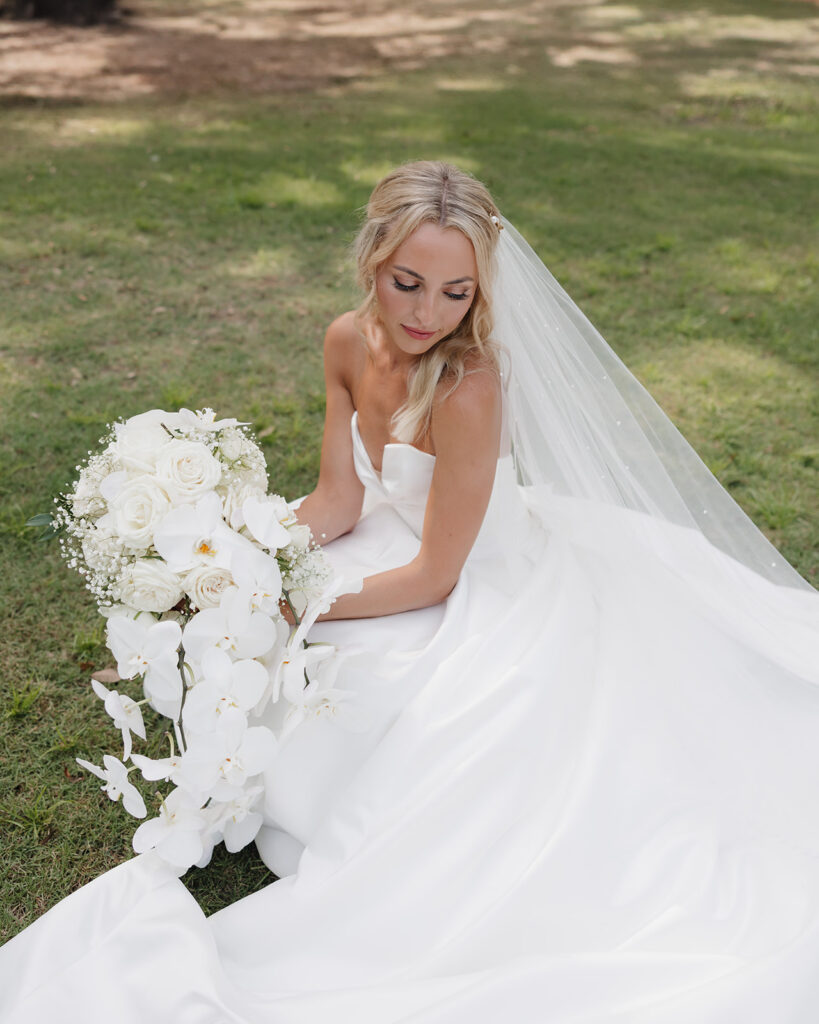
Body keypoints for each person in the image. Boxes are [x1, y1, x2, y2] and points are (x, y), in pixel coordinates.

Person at [2, 160, 819, 1023]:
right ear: (371, 261)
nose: (427, 314)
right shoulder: (346, 340)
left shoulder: (469, 386)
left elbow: (438, 573)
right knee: (277, 642)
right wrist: (235, 569)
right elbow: (337, 500)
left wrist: (294, 603)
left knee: (388, 685)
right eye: (408, 283)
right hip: (391, 540)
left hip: (475, 571)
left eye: (456, 293)